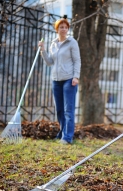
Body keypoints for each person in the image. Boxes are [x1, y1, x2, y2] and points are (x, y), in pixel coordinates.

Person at [38, 17, 81, 145]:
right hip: (56, 80)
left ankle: (68, 137)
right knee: (60, 110)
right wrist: (43, 50)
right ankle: (62, 133)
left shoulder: (72, 42)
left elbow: (77, 60)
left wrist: (76, 76)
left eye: (66, 27)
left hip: (69, 79)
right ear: (57, 29)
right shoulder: (53, 44)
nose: (64, 29)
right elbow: (50, 62)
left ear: (68, 29)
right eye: (61, 27)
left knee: (68, 109)